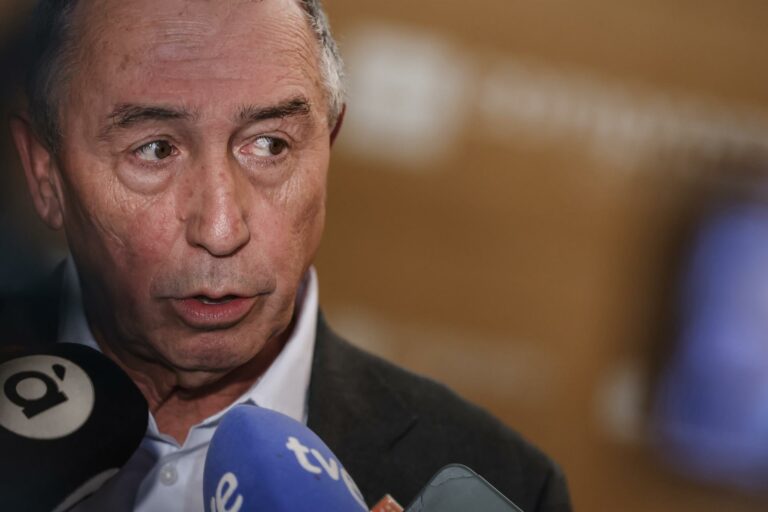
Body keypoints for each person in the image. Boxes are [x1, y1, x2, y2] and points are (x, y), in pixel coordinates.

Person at [4, 0, 571, 510]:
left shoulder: (508, 481)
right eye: (154, 149)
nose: (221, 230)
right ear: (44, 175)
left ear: (329, 145)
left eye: (269, 144)